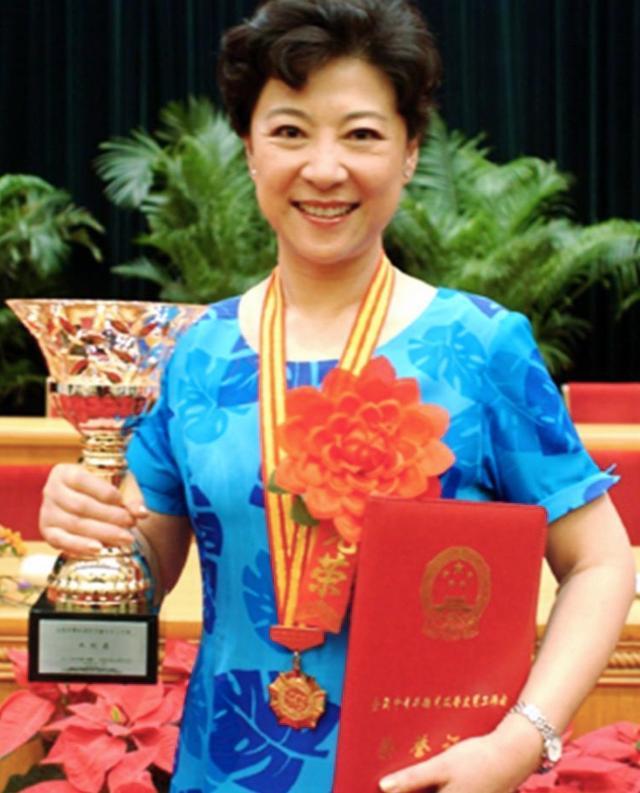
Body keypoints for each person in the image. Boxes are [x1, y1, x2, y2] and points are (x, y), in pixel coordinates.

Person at [39, 1, 636, 791]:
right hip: (225, 770)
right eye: (290, 131)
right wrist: (89, 534)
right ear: (249, 149)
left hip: (429, 774)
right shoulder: (196, 353)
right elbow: (146, 561)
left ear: (410, 151)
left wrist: (521, 741)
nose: (325, 169)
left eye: (361, 134)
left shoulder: (480, 347)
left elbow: (599, 561)